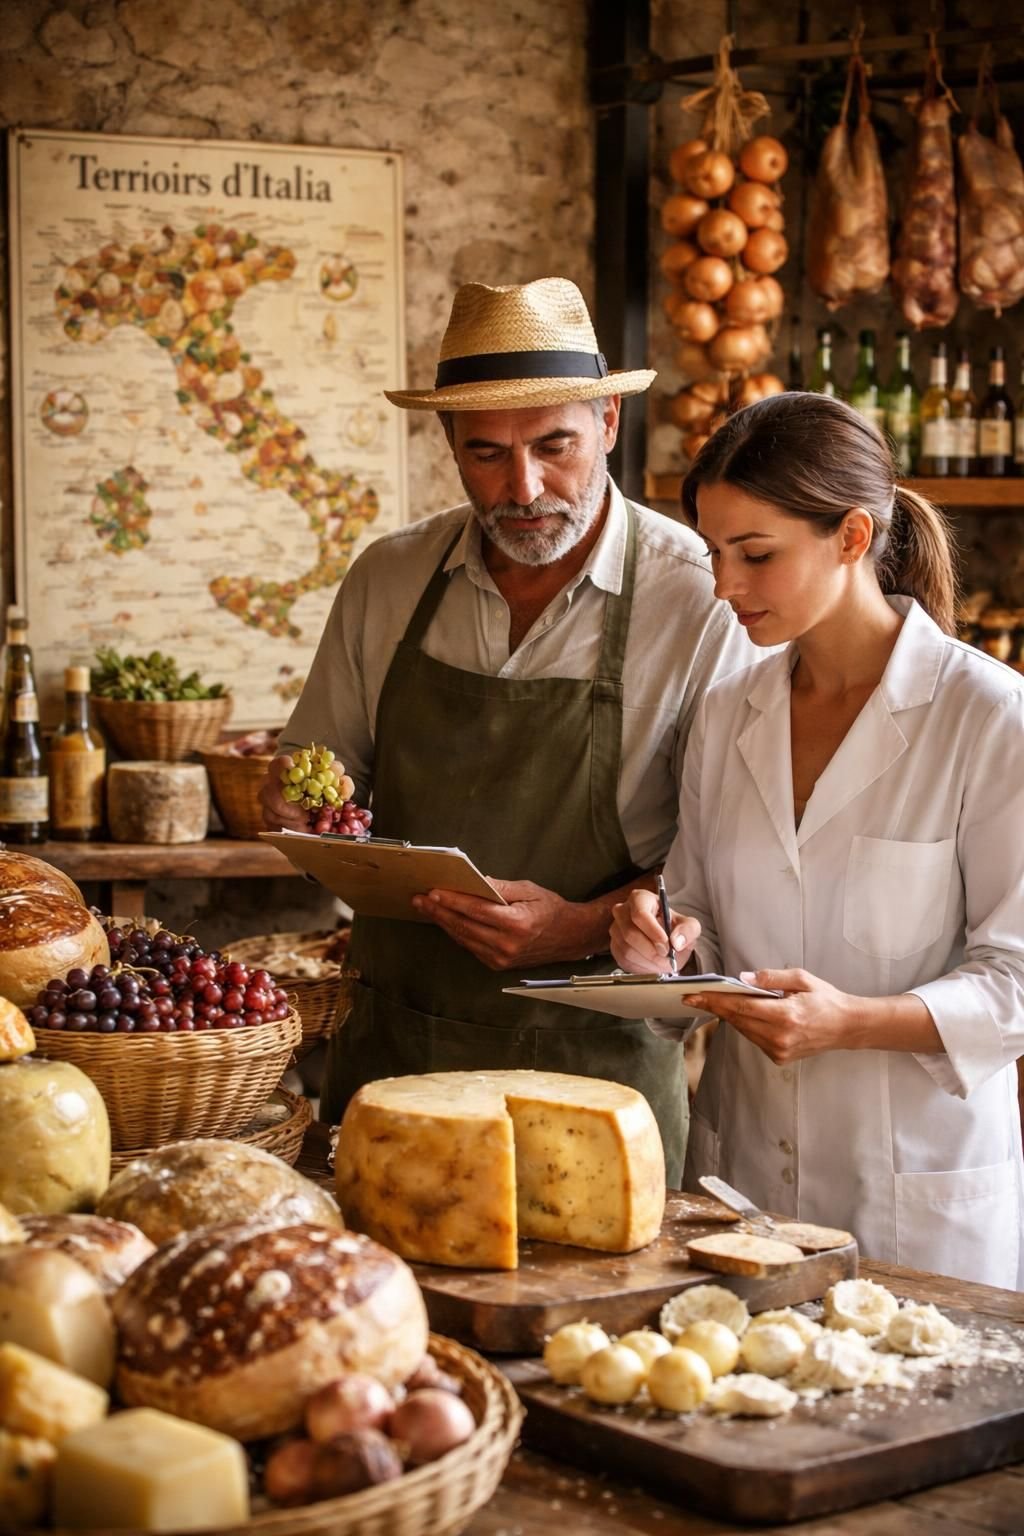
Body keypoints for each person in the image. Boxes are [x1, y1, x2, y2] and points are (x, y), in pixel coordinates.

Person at [261, 277, 750, 1177]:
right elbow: (319, 768)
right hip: (397, 1050)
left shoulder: (701, 595)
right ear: (447, 442)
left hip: (596, 1080)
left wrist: (581, 925)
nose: (523, 488)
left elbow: (734, 859)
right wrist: (303, 804)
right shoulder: (389, 578)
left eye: (554, 445)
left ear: (608, 420)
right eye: (485, 454)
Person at [610, 391, 1024, 1288]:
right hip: (745, 1181)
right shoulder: (727, 713)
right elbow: (703, 913)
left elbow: (1016, 984)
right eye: (716, 554)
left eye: (756, 554)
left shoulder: (988, 719)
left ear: (851, 536)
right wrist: (666, 937)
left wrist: (848, 1025)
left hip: (918, 1198)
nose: (725, 587)